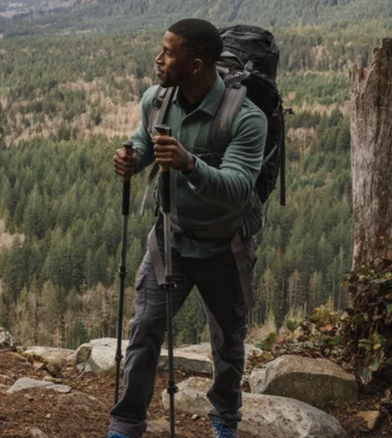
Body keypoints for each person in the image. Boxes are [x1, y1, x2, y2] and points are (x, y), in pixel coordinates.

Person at [108, 18, 267, 438]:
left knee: (228, 346)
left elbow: (236, 189)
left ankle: (224, 422)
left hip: (225, 249)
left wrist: (189, 164)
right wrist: (132, 156)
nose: (159, 59)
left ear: (196, 64)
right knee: (143, 331)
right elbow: (145, 140)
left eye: (168, 52)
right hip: (171, 241)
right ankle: (126, 424)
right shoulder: (157, 100)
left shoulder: (246, 118)